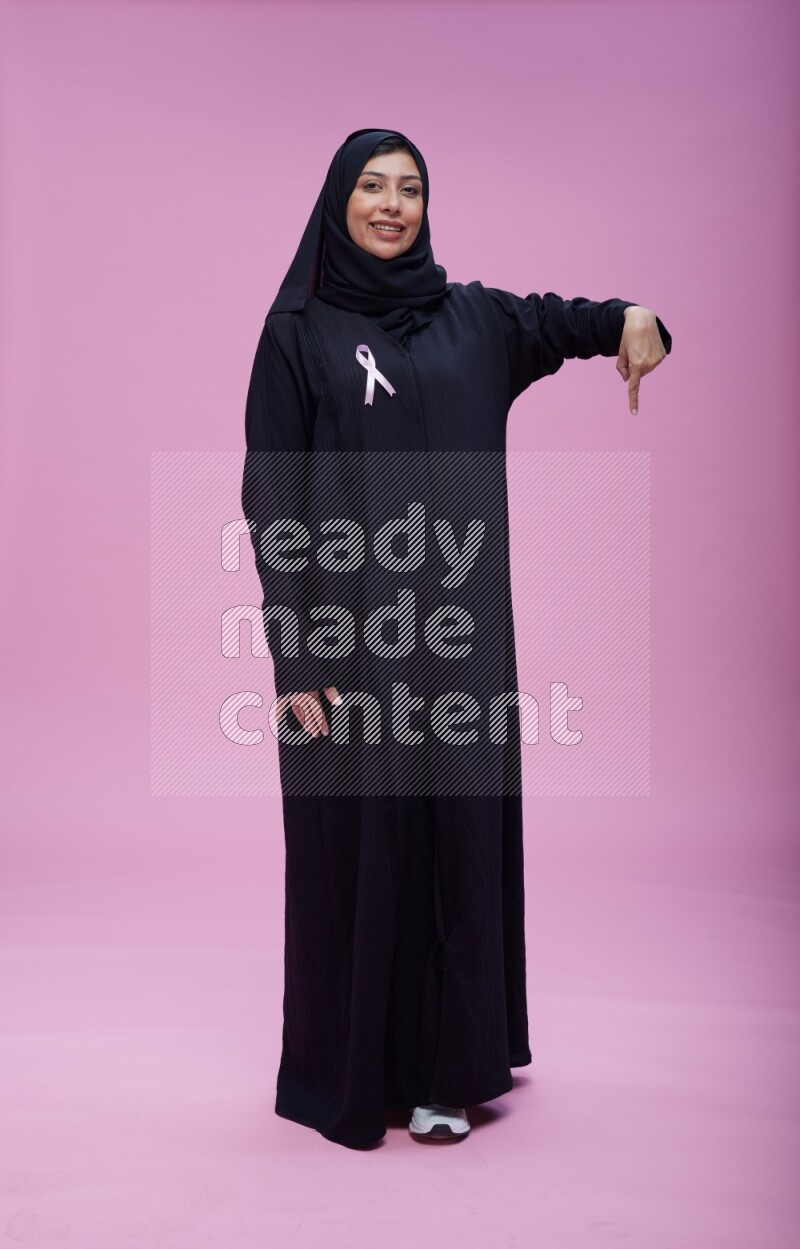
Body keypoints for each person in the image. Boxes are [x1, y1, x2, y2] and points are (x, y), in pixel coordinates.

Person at [241, 128, 672, 1149]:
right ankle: (356, 1070)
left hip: (461, 645)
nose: (391, 205)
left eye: (409, 189)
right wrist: (295, 662)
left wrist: (636, 318)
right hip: (347, 653)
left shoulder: (471, 320)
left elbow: (565, 322)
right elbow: (272, 502)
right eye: (371, 187)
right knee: (361, 854)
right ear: (337, 201)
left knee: (456, 848)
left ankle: (446, 1072)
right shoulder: (297, 331)